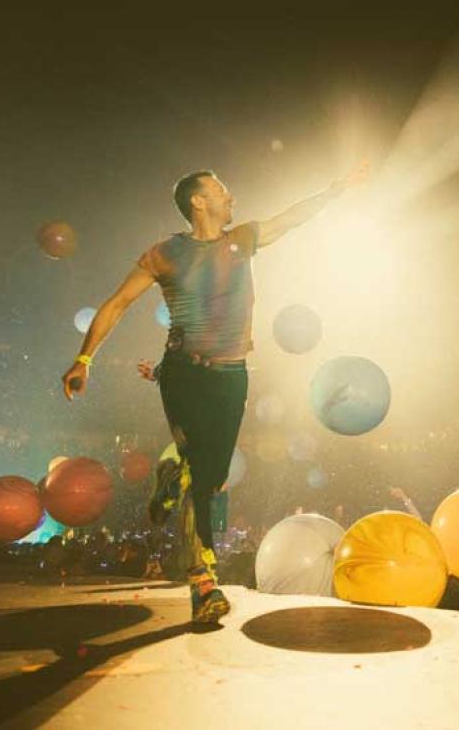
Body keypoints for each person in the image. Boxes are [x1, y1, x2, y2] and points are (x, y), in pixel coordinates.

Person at [61, 163, 369, 622]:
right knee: (204, 484)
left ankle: (171, 473)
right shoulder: (164, 254)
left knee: (213, 474)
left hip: (233, 374)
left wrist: (335, 189)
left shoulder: (241, 239)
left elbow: (290, 218)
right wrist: (84, 359)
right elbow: (118, 302)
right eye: (221, 189)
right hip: (184, 372)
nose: (231, 196)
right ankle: (204, 582)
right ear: (197, 201)